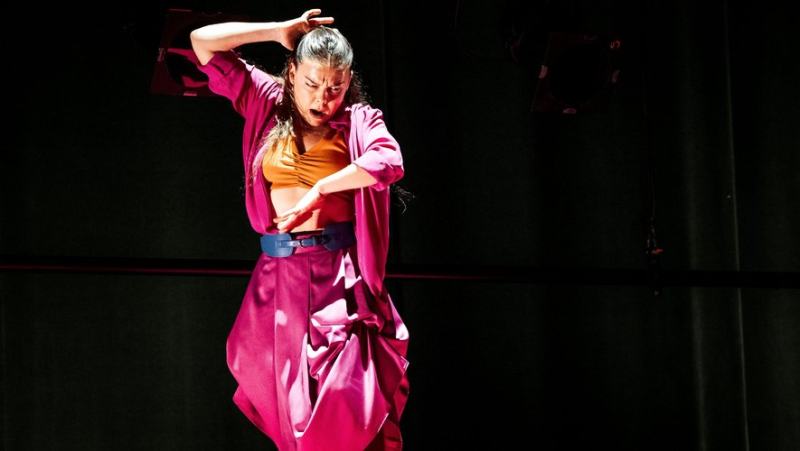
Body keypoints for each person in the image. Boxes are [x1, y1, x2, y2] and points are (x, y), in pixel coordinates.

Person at [190, 8, 410, 451]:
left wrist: (323, 188)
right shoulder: (265, 102)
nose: (323, 98)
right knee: (290, 413)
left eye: (335, 87)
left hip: (336, 277)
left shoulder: (358, 121)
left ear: (348, 82)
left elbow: (388, 161)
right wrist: (276, 31)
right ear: (291, 74)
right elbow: (201, 42)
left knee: (341, 405)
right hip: (277, 279)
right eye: (312, 84)